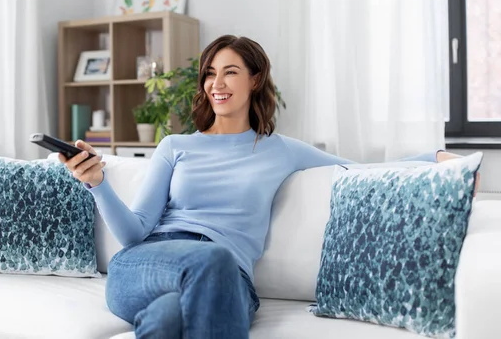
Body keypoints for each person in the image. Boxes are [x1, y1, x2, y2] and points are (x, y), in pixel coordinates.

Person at [59, 35, 465, 339]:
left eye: (230, 71)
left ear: (255, 80)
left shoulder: (280, 151)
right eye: (210, 73)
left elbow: (361, 171)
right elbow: (134, 232)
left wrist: (434, 159)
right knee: (211, 259)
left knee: (168, 318)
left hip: (230, 279)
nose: (217, 82)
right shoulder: (175, 146)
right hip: (147, 264)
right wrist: (96, 183)